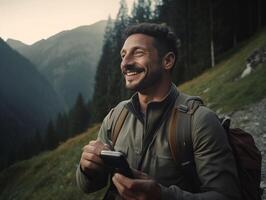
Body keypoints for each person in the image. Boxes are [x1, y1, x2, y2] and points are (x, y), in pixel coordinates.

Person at [76, 23, 241, 200]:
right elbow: (90, 187)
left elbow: (226, 196)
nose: (125, 63)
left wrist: (162, 196)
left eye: (138, 53)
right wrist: (87, 169)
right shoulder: (116, 116)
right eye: (123, 55)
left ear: (167, 61)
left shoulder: (199, 121)